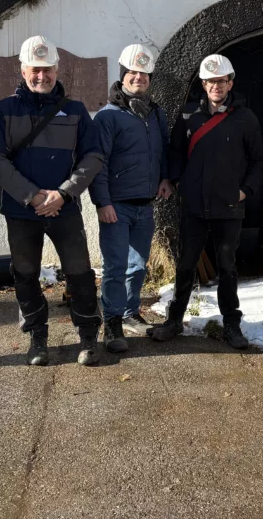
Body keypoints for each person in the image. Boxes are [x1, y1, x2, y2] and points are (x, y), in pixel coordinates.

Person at [0, 36, 103, 367]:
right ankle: (38, 338)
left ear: (56, 70)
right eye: (35, 70)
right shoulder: (6, 110)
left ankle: (89, 337)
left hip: (64, 207)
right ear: (23, 70)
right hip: (21, 210)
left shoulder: (76, 111)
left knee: (79, 273)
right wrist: (32, 194)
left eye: (47, 70)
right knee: (25, 273)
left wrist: (63, 192)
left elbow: (93, 156)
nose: (42, 76)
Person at [151, 54, 263, 349]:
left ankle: (231, 325)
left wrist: (245, 192)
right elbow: (174, 151)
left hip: (229, 207)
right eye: (211, 81)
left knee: (227, 267)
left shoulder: (245, 118)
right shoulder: (189, 116)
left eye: (222, 81)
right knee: (186, 265)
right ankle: (174, 320)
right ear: (203, 84)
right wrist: (176, 181)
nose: (217, 86)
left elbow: (258, 161)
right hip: (193, 206)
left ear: (230, 83)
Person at [89, 43, 173, 352]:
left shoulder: (155, 113)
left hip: (145, 205)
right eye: (133, 73)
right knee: (114, 267)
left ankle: (129, 312)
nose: (139, 78)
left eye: (144, 74)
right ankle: (111, 322)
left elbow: (164, 149)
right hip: (117, 206)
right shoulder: (108, 117)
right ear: (124, 75)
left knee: (137, 267)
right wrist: (103, 203)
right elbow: (97, 163)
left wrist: (166, 178)